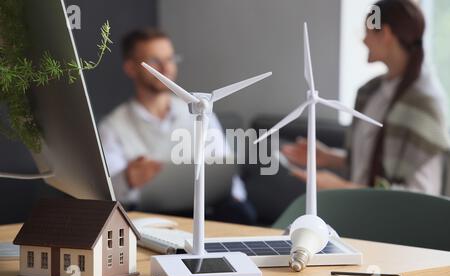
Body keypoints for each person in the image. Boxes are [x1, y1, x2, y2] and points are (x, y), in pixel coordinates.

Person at [283, 0, 450, 195]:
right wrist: (327, 157)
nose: (363, 40)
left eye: (367, 32)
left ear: (385, 34)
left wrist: (342, 188)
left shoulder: (424, 105)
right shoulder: (373, 92)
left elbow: (422, 196)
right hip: (358, 213)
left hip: (387, 222)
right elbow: (373, 163)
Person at [99, 28, 256, 224]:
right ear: (131, 68)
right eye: (155, 62)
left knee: (241, 213)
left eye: (171, 59)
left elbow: (226, 171)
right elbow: (106, 194)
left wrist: (236, 198)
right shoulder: (112, 127)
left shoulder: (201, 111)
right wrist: (128, 179)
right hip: (148, 216)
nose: (167, 68)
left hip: (208, 210)